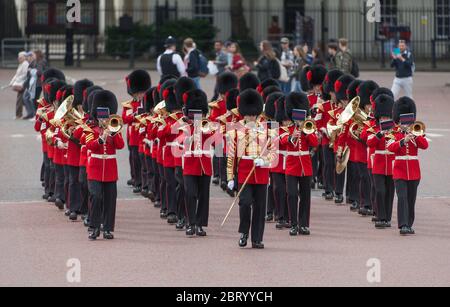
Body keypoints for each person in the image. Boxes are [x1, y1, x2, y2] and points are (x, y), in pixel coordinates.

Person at [226, 89, 273, 249]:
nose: (251, 117)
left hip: (261, 172)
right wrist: (230, 177)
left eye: (254, 114)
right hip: (245, 171)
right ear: (243, 113)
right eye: (248, 114)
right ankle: (244, 232)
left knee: (260, 207)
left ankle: (257, 238)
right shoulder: (235, 132)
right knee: (244, 203)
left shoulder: (268, 131)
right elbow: (231, 157)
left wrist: (264, 160)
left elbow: (274, 154)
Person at [86, 90, 125, 240]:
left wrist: (113, 133)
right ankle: (94, 227)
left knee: (110, 199)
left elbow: (121, 146)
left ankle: (108, 228)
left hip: (110, 168)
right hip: (95, 168)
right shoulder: (90, 129)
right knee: (95, 197)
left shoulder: (115, 129)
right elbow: (89, 145)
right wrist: (101, 139)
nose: (103, 119)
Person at [387, 97, 428, 235]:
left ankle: (409, 224)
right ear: (398, 119)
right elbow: (390, 147)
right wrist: (402, 140)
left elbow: (425, 145)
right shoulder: (394, 132)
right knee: (402, 197)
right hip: (399, 170)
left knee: (411, 199)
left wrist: (415, 135)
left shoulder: (416, 131)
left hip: (414, 171)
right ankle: (403, 225)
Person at [281, 92, 319, 236]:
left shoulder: (308, 127)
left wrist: (306, 130)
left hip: (305, 166)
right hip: (291, 166)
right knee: (291, 194)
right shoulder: (287, 129)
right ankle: (294, 224)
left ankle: (303, 225)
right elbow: (282, 141)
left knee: (305, 196)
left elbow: (315, 143)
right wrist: (293, 135)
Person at [366, 94, 395, 229]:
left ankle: (387, 218)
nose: (385, 119)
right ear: (378, 117)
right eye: (383, 117)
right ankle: (381, 217)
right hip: (378, 164)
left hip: (391, 165)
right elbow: (370, 142)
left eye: (387, 117)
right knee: (380, 191)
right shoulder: (374, 129)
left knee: (389, 192)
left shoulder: (395, 130)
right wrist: (379, 134)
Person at [122, 70, 152, 193]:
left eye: (142, 92)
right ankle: (136, 179)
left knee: (143, 159)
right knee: (134, 158)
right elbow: (124, 119)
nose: (140, 95)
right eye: (138, 93)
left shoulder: (148, 103)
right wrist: (135, 116)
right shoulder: (129, 105)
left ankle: (143, 181)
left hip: (144, 134)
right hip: (133, 135)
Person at [9, 51, 29, 119]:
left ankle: (19, 115)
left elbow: (24, 75)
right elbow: (17, 75)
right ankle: (20, 114)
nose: (19, 59)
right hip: (19, 83)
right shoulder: (21, 64)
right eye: (18, 57)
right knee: (21, 100)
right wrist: (12, 82)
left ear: (24, 58)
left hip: (22, 84)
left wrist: (16, 81)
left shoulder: (25, 64)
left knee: (20, 100)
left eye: (20, 57)